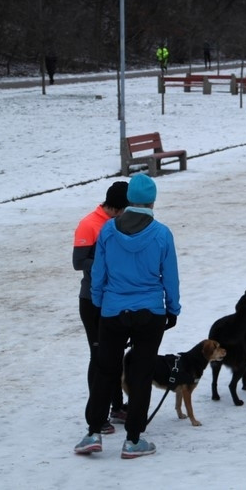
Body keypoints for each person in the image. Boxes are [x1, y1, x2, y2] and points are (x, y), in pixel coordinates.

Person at [74, 174, 181, 459]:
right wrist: (172, 309)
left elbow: (99, 272)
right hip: (150, 313)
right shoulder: (162, 234)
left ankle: (93, 432)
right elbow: (170, 276)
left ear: (129, 200)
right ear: (152, 202)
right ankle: (133, 440)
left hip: (113, 310)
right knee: (142, 374)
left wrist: (100, 303)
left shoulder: (108, 231)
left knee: (105, 370)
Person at [72, 181, 130, 435]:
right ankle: (98, 414)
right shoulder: (89, 224)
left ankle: (116, 407)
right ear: (117, 207)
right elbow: (78, 262)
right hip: (92, 301)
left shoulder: (118, 222)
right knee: (98, 358)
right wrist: (107, 263)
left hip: (114, 300)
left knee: (115, 355)